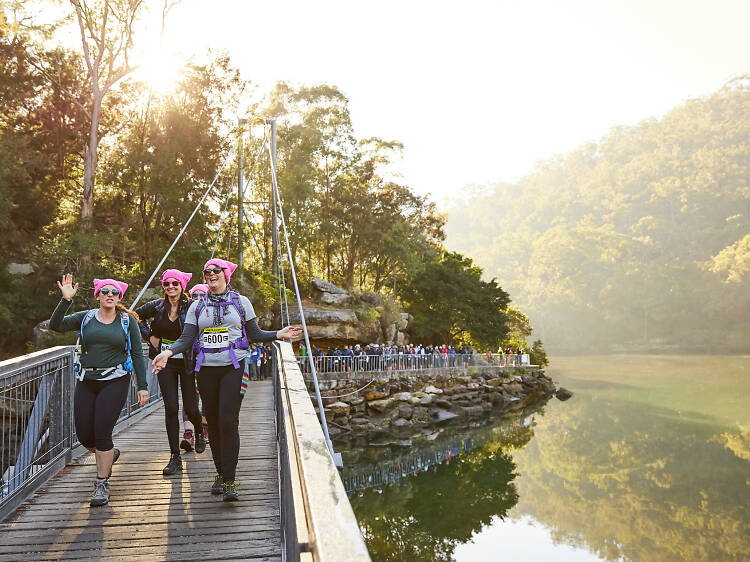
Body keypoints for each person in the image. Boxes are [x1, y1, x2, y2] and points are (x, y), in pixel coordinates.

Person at [151, 259, 301, 501]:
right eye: (207, 271)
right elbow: (187, 338)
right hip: (206, 369)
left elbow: (254, 334)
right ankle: (220, 474)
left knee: (228, 420)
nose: (210, 274)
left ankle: (230, 480)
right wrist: (168, 352)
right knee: (213, 421)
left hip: (233, 367)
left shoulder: (241, 303)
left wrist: (277, 334)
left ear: (225, 274)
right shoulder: (197, 307)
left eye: (215, 270)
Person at [50, 275, 149, 507]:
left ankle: (101, 483)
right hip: (86, 380)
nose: (109, 295)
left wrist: (142, 386)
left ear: (119, 297)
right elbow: (55, 325)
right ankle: (109, 454)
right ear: (98, 296)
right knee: (85, 435)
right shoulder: (86, 318)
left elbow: (136, 354)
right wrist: (65, 300)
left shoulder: (127, 321)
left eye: (114, 292)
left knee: (102, 432)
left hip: (115, 380)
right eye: (105, 291)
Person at [135, 269, 206, 476]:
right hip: (164, 363)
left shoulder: (192, 306)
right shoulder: (156, 306)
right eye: (167, 283)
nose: (171, 287)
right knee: (171, 407)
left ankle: (200, 432)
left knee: (192, 408)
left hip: (186, 363)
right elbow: (134, 315)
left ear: (182, 286)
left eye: (175, 283)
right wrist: (149, 336)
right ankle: (175, 456)